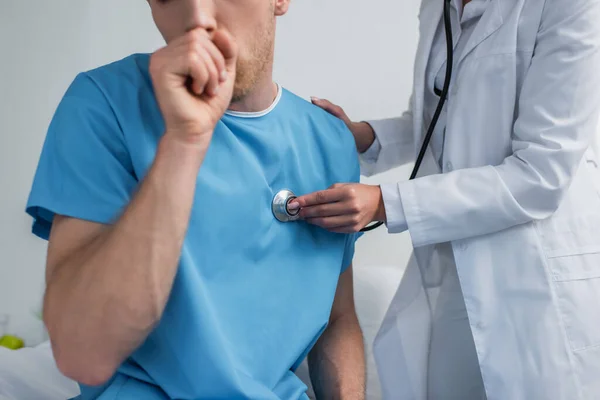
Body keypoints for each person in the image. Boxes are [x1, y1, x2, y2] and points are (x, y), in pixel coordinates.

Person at [25, 0, 366, 399]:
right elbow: (81, 355)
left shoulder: (330, 141)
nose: (199, 20)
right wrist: (183, 142)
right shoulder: (105, 104)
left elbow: (338, 318)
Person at [290, 0, 600, 397]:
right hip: (458, 266)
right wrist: (363, 136)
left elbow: (540, 175)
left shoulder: (571, 6)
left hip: (538, 275)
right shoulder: (437, 6)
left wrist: (386, 202)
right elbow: (439, 121)